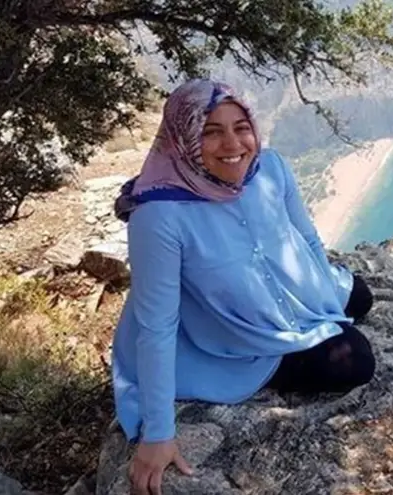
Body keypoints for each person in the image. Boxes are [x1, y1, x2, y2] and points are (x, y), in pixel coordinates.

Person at [110, 79, 376, 495]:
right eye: (212, 132)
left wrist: (325, 307)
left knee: (360, 297)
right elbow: (156, 325)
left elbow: (306, 240)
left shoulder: (269, 169)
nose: (233, 144)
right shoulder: (159, 216)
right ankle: (268, 356)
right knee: (353, 360)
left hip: (285, 292)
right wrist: (159, 433)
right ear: (183, 139)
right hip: (227, 331)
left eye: (241, 127)